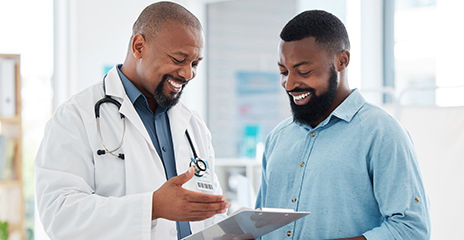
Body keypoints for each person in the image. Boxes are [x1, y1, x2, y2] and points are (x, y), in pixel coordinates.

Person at [35, 2, 229, 239]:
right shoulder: (76, 116)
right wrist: (152, 207)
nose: (188, 74)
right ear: (139, 46)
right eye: (179, 59)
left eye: (195, 63)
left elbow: (211, 214)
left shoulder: (193, 125)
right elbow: (59, 214)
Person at [255, 10, 430, 240]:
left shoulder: (382, 133)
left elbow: (411, 230)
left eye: (303, 71)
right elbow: (260, 227)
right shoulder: (278, 137)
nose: (289, 84)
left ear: (342, 60)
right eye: (283, 72)